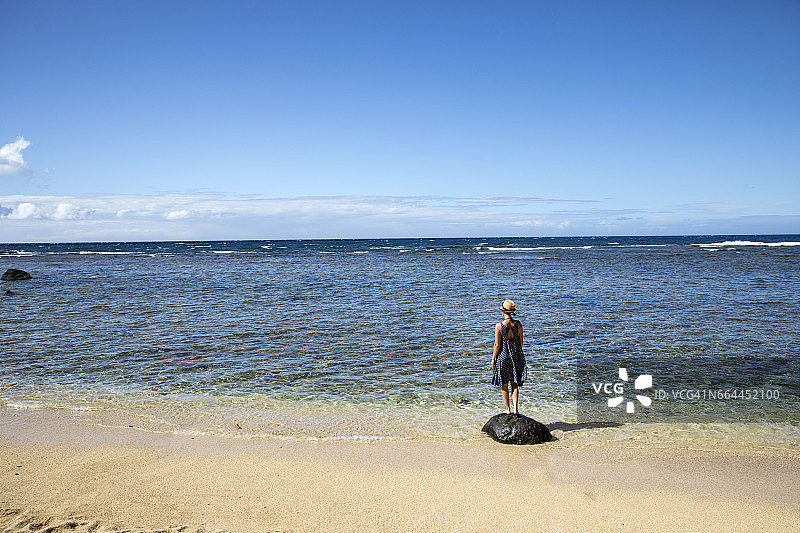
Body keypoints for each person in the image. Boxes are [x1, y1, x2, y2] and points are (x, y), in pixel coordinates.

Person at [491, 299, 527, 414]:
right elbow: (521, 342)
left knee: (504, 383)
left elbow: (497, 345)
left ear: (503, 312)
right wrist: (517, 353)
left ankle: (508, 409)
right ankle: (516, 409)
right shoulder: (518, 324)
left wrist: (493, 359)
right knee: (514, 383)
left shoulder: (499, 326)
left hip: (503, 355)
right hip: (516, 355)